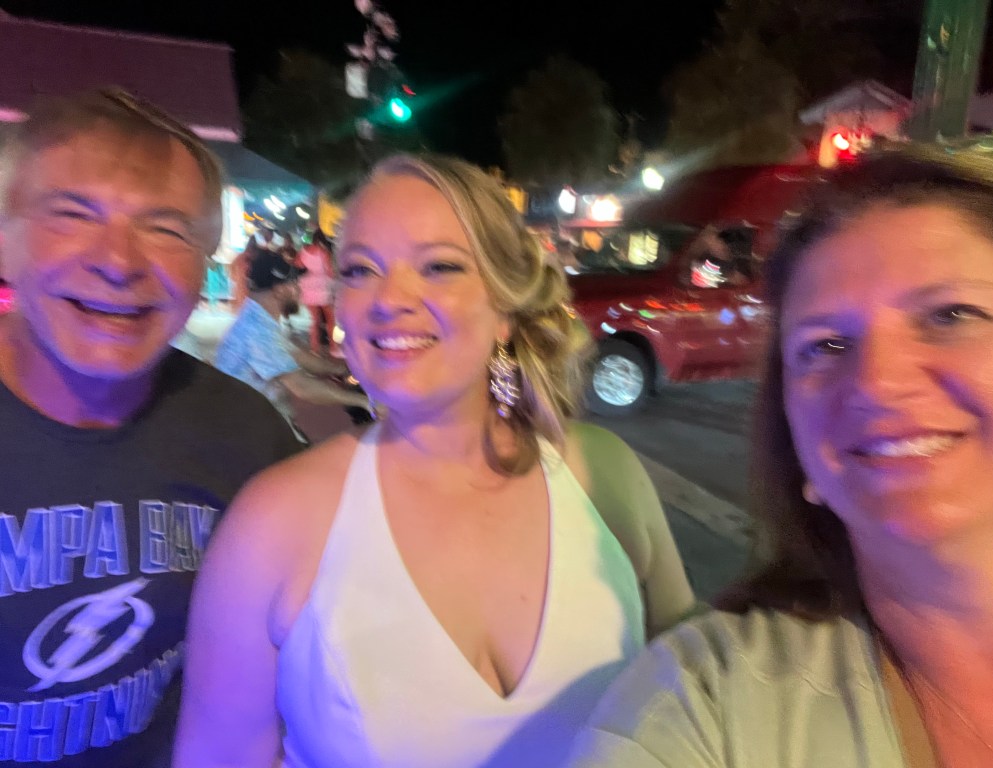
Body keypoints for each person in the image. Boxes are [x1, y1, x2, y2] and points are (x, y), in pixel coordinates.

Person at [173, 154, 695, 768]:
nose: (390, 298)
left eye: (440, 266)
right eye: (360, 270)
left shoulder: (604, 475)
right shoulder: (272, 522)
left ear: (505, 308)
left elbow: (699, 701)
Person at [568, 148, 993, 767]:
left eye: (952, 315)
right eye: (827, 345)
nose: (878, 382)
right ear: (796, 440)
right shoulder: (707, 705)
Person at [0, 88, 302, 767]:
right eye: (74, 214)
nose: (119, 262)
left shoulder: (246, 437)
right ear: (5, 240)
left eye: (166, 229)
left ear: (207, 266)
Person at [215, 247, 369, 437]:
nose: (299, 289)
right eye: (294, 283)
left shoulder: (258, 318)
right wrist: (364, 402)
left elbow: (299, 357)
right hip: (248, 432)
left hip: (260, 420)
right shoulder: (256, 332)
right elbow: (302, 387)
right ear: (280, 290)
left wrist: (344, 369)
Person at [294, 228, 339, 356]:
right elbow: (330, 273)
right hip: (322, 287)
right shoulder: (324, 252)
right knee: (330, 319)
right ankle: (333, 348)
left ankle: (314, 348)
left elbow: (298, 265)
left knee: (315, 320)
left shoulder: (303, 250)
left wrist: (310, 268)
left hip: (308, 286)